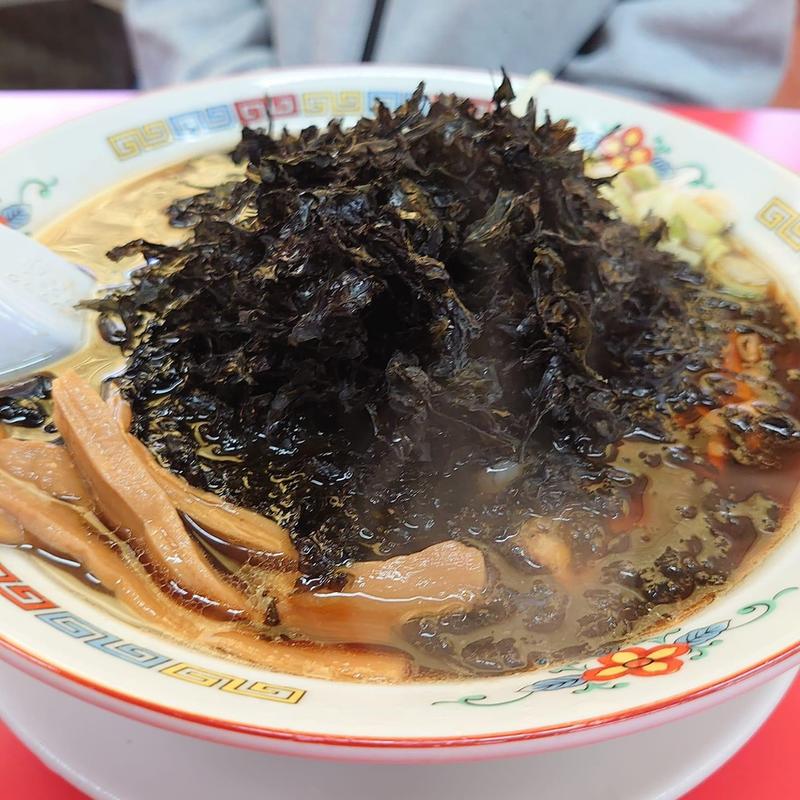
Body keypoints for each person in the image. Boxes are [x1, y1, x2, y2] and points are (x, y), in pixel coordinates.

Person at [124, 0, 795, 107]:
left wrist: (555, 154)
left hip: (570, 139)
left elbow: (696, 44)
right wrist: (240, 99)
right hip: (257, 114)